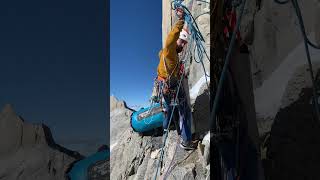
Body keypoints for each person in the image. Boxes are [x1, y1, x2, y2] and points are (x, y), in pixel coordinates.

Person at [155, 9, 196, 150]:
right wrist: (181, 20)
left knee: (167, 107)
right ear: (177, 41)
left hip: (163, 84)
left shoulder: (169, 54)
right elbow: (171, 38)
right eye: (182, 42)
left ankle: (167, 129)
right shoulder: (169, 50)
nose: (183, 45)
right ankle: (186, 141)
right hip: (168, 83)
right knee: (184, 109)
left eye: (185, 43)